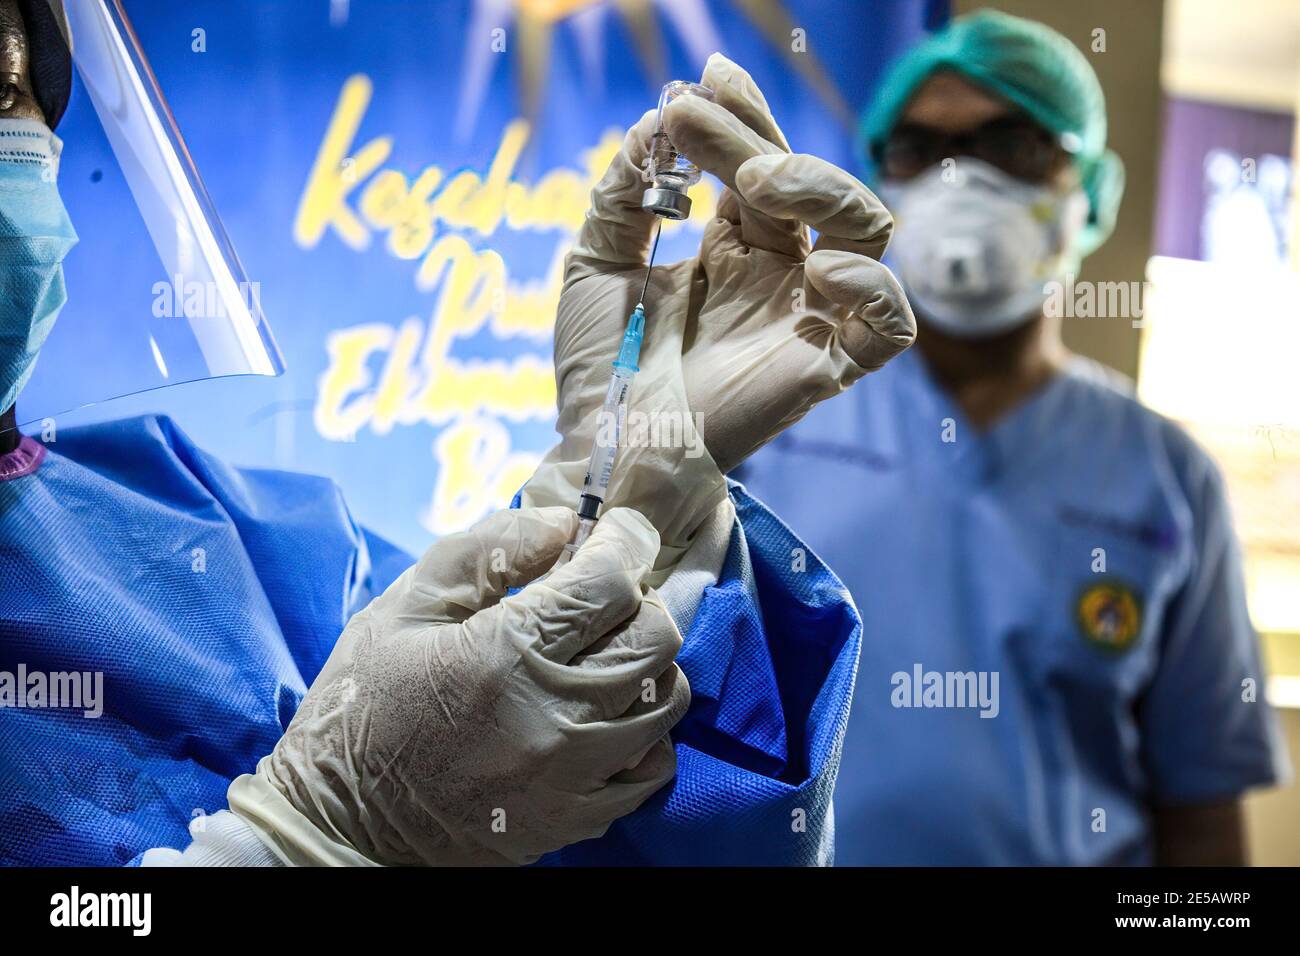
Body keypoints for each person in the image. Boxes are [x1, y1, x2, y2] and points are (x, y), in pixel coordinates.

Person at [0, 0, 914, 866]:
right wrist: (299, 838)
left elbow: (593, 820)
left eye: (2, 95)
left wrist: (624, 490)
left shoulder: (219, 530)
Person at [739, 9, 1290, 866]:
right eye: (918, 149)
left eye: (1014, 143)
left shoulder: (1167, 479)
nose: (961, 181)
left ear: (1092, 189)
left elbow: (1203, 812)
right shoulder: (773, 424)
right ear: (876, 183)